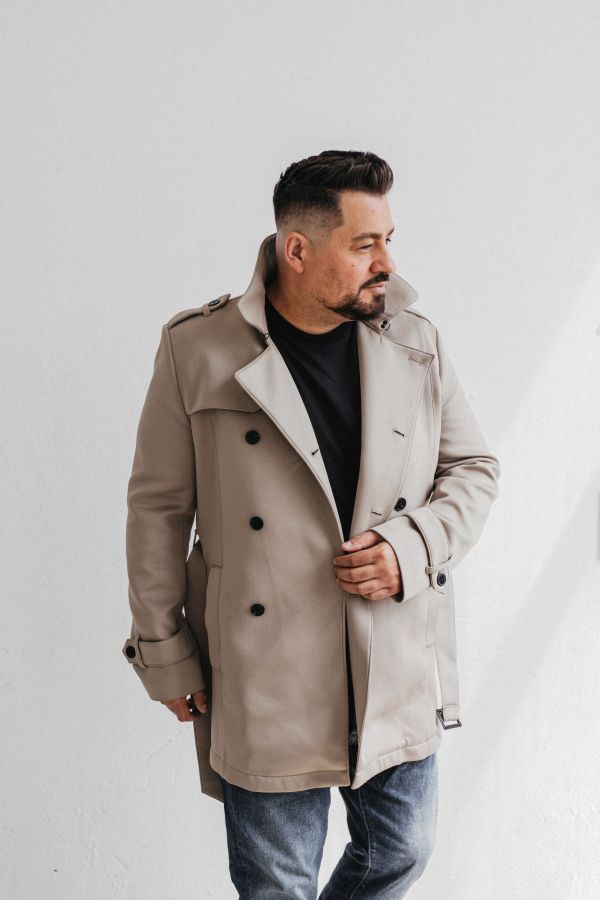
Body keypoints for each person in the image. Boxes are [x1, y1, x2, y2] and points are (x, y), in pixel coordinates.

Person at [122, 149, 501, 898]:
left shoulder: (415, 341)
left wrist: (411, 548)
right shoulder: (197, 348)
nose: (387, 262)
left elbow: (473, 469)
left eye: (388, 239)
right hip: (264, 670)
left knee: (401, 851)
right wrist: (163, 651)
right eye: (365, 244)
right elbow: (158, 510)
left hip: (391, 655)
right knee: (277, 886)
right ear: (298, 250)